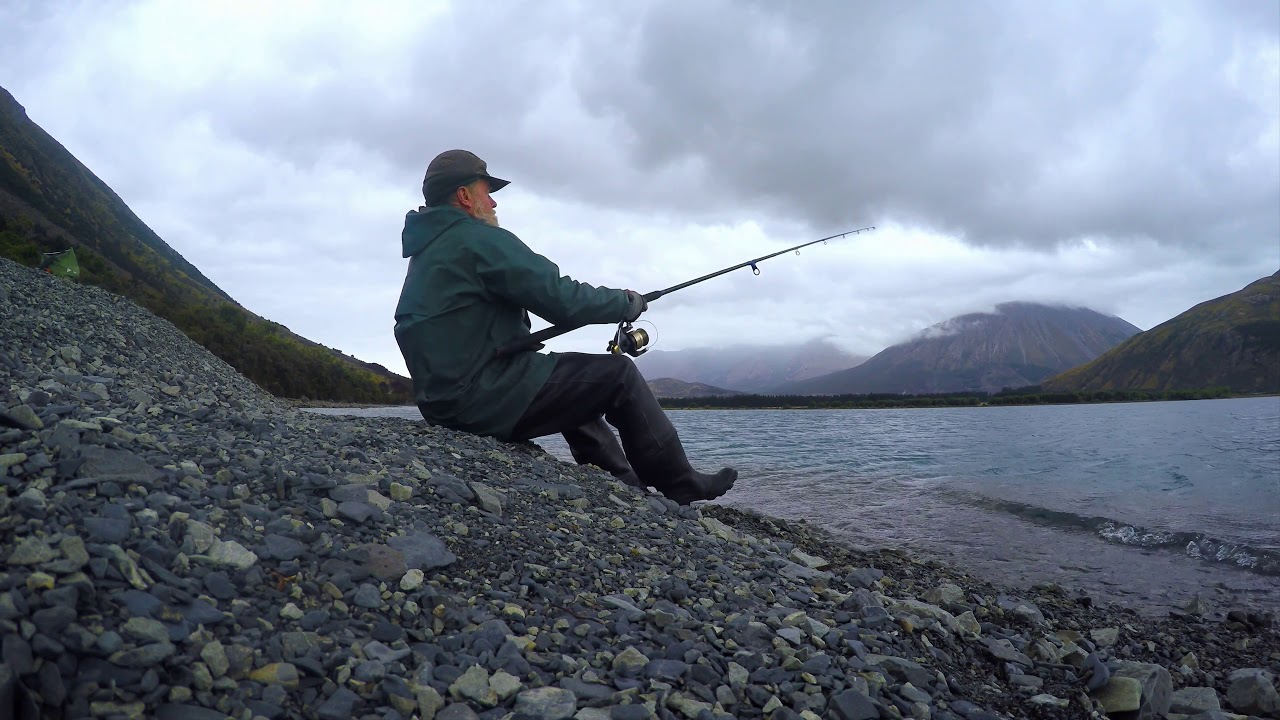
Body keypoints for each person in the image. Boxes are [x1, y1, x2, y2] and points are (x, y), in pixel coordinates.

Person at [393, 149, 736, 505]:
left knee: (569, 379)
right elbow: (561, 299)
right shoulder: (477, 240)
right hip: (478, 399)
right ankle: (680, 483)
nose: (493, 202)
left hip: (444, 402)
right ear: (464, 196)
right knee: (618, 374)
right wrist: (625, 302)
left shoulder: (430, 250)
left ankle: (622, 480)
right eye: (486, 191)